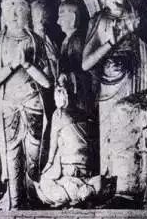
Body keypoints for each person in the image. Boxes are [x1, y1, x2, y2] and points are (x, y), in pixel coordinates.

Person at [0, 0, 53, 209]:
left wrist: (27, 65)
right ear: (3, 12)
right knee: (12, 158)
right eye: (10, 7)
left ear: (28, 10)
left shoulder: (36, 41)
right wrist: (12, 65)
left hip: (33, 106)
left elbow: (46, 82)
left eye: (20, 7)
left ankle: (34, 204)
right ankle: (15, 205)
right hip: (8, 109)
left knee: (34, 159)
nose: (14, 13)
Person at [82, 0, 147, 206]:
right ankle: (113, 189)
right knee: (112, 139)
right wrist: (110, 43)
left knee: (137, 131)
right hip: (110, 87)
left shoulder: (136, 19)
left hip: (136, 81)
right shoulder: (100, 21)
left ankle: (137, 186)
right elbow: (86, 62)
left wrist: (139, 32)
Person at [36, 75, 102, 208]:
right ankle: (82, 196)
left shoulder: (59, 114)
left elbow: (53, 147)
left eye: (59, 89)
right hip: (87, 176)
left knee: (43, 183)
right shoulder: (86, 114)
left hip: (69, 176)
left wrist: (48, 164)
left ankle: (72, 198)